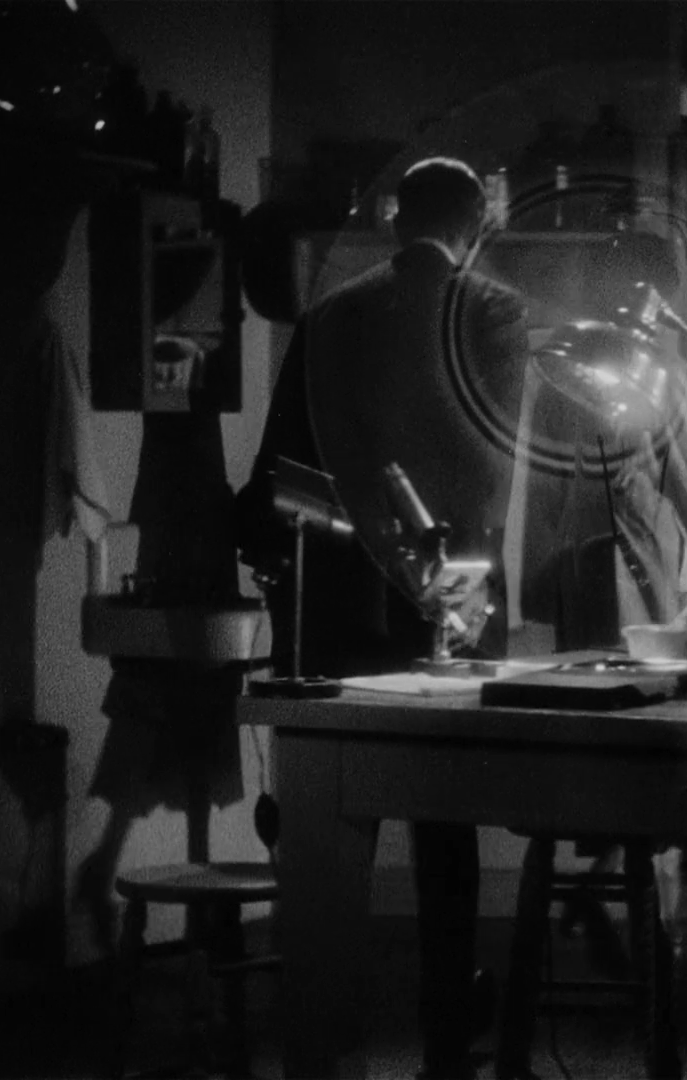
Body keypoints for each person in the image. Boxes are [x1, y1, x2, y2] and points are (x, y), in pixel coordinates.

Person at [238, 156, 530, 1080]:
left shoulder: (333, 313)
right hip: (447, 596)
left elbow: (285, 462)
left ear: (398, 221)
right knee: (445, 824)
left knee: (335, 826)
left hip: (337, 599)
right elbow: (494, 460)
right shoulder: (493, 311)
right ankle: (446, 1029)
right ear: (475, 226)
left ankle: (326, 1033)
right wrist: (461, 585)